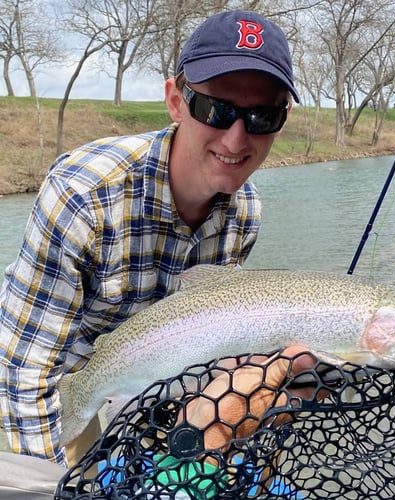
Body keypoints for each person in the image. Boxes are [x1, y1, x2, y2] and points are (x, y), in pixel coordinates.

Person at [0, 9, 300, 468]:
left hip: (152, 379)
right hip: (63, 375)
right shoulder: (82, 194)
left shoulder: (246, 213)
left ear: (283, 119)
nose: (237, 138)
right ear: (176, 101)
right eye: (215, 109)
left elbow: (208, 341)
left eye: (262, 116)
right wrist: (46, 480)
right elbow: (27, 368)